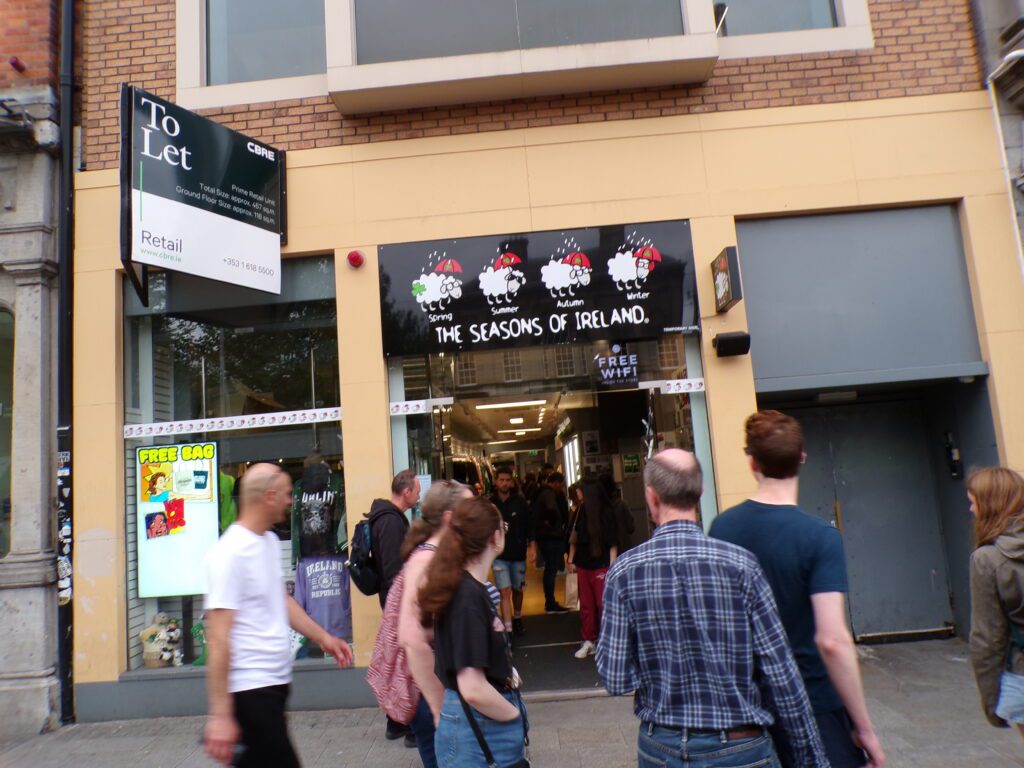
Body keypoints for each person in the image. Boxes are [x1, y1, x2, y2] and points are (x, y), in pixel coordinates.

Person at [597, 449, 829, 768]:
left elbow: (615, 677)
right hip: (739, 744)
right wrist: (809, 757)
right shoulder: (741, 566)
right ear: (700, 493)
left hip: (660, 744)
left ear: (651, 498)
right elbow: (781, 674)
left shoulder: (624, 571)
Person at [710, 410, 885, 768]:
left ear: (752, 462)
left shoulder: (721, 530)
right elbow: (832, 640)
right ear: (801, 458)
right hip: (814, 703)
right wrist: (864, 727)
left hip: (746, 708)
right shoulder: (820, 538)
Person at [203, 463, 354, 768]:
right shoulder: (229, 553)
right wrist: (220, 715)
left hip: (272, 688)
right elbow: (218, 639)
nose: (291, 501)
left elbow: (281, 602)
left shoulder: (268, 543)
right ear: (269, 496)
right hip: (248, 692)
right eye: (287, 494)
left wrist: (323, 637)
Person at [419, 497, 528, 768]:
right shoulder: (468, 596)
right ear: (495, 537)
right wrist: (514, 715)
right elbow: (472, 688)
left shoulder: (468, 588)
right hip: (478, 725)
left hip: (474, 723)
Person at [399, 480, 474, 768]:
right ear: (449, 518)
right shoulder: (426, 561)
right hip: (434, 696)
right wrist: (439, 705)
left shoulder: (439, 556)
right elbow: (411, 637)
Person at [966, 466, 1024, 740]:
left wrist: (992, 702)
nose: (971, 510)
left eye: (973, 502)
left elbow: (988, 639)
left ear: (989, 505)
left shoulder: (988, 559)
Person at [369, 468, 422, 744]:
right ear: (406, 492)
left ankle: (398, 722)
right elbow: (393, 570)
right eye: (417, 490)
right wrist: (402, 607)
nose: (419, 494)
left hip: (394, 602)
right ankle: (408, 726)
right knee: (405, 665)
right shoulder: (390, 523)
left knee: (403, 663)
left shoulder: (389, 518)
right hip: (397, 604)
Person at [567, 478, 617, 659]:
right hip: (583, 564)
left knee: (601, 604)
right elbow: (574, 537)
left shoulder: (606, 513)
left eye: (581, 490)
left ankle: (603, 640)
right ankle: (589, 640)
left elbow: (612, 542)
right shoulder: (580, 510)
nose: (578, 493)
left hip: (601, 564)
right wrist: (571, 559)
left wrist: (612, 566)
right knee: (587, 605)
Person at [490, 467, 531, 636]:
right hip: (499, 556)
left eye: (507, 480)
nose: (504, 483)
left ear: (512, 482)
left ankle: (517, 616)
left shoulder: (520, 502)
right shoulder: (490, 503)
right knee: (504, 590)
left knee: (517, 589)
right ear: (496, 481)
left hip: (518, 553)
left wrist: (532, 547)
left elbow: (530, 525)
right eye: (501, 480)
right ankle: (508, 628)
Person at [530, 471, 570, 613]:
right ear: (556, 483)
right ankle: (550, 602)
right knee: (551, 570)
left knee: (550, 569)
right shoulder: (549, 494)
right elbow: (552, 510)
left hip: (544, 536)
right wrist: (556, 525)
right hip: (552, 537)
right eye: (561, 484)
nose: (561, 487)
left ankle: (550, 601)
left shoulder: (539, 492)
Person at [600, 473, 635, 554]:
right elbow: (631, 528)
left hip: (605, 554)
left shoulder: (599, 508)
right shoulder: (622, 504)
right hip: (624, 549)